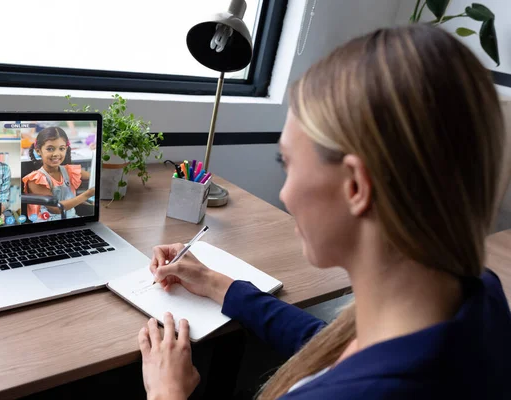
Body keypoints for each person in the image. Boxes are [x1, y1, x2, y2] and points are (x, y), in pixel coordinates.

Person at [137, 25, 511, 399]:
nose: (284, 192)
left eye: (287, 164)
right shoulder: (476, 293)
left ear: (355, 187)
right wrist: (217, 283)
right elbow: (330, 347)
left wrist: (166, 393)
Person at [22, 126, 94, 221]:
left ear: (66, 149)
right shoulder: (36, 179)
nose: (56, 154)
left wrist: (89, 202)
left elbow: (94, 177)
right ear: (38, 150)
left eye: (61, 149)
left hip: (72, 220)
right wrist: (87, 194)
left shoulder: (69, 171)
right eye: (50, 149)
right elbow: (56, 208)